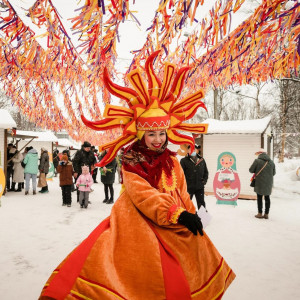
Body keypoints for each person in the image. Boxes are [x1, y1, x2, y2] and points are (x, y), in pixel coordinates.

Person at [39, 52, 235, 299]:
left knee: (194, 262)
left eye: (161, 134)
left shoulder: (173, 161)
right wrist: (176, 213)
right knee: (141, 270)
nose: (157, 139)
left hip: (175, 221)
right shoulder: (131, 161)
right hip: (138, 221)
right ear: (141, 136)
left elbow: (182, 193)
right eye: (151, 135)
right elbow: (143, 196)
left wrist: (190, 215)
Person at [249, 148, 276, 219]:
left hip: (259, 182)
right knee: (267, 197)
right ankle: (266, 214)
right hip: (268, 183)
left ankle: (260, 213)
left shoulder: (257, 161)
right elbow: (274, 173)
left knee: (259, 197)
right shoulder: (271, 162)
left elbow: (251, 170)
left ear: (260, 154)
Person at [180, 144, 209, 209]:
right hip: (188, 188)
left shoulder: (201, 160)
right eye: (190, 149)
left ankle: (203, 218)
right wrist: (184, 185)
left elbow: (206, 172)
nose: (192, 150)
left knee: (201, 203)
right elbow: (181, 174)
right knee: (186, 204)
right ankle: (185, 218)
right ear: (187, 150)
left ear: (197, 150)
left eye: (194, 149)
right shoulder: (184, 161)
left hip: (199, 187)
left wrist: (204, 181)